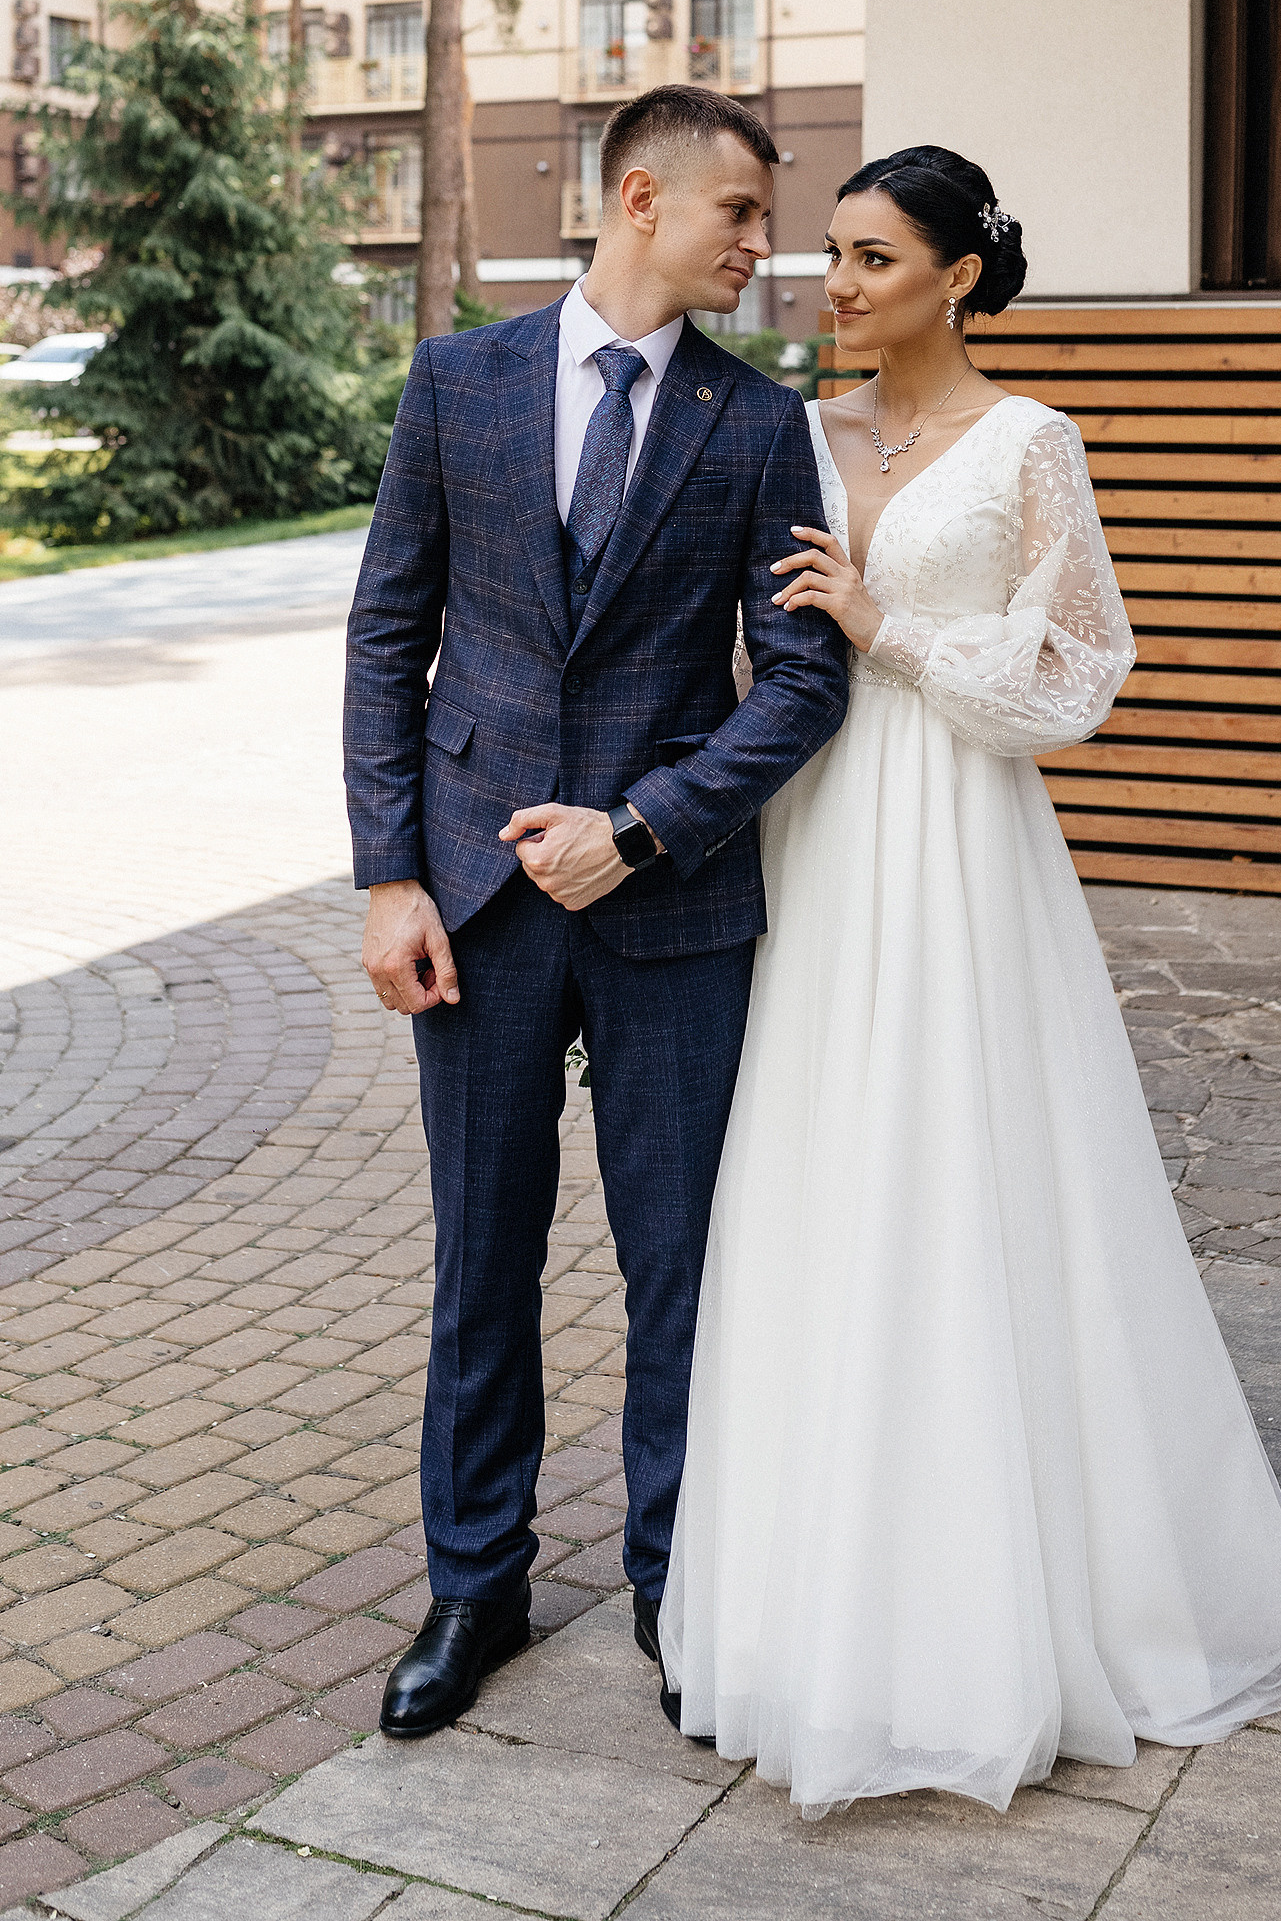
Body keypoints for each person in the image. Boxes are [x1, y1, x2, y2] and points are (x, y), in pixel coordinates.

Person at [661, 145, 1281, 1816]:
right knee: (816, 1178)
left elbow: (1077, 682)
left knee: (967, 1174)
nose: (837, 284)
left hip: (957, 839)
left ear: (960, 274)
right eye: (828, 254)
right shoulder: (793, 431)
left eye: (873, 258)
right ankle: (813, 1595)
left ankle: (1011, 1608)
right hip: (811, 834)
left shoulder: (1036, 445)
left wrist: (889, 631)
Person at [345, 83, 847, 1739]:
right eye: (743, 220)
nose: (767, 252)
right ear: (643, 200)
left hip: (670, 913)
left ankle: (673, 1580)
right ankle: (474, 1583)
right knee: (480, 1262)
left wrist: (641, 829)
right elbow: (386, 638)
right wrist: (391, 877)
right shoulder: (460, 381)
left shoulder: (762, 421)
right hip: (475, 909)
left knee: (680, 1264)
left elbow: (800, 683)